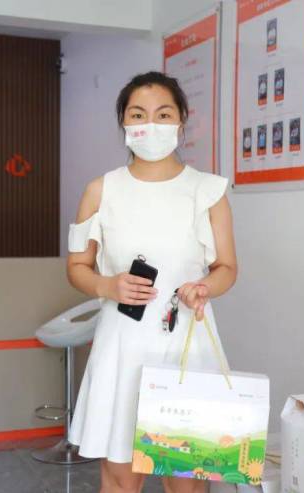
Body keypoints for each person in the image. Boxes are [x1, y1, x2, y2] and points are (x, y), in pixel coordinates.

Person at [66, 71, 238, 493]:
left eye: (163, 114)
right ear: (124, 122)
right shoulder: (99, 190)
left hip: (186, 345)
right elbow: (77, 266)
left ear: (181, 120)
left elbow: (227, 268)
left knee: (187, 481)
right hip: (123, 346)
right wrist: (108, 287)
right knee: (121, 478)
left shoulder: (208, 191)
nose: (151, 124)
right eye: (138, 114)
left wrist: (205, 288)